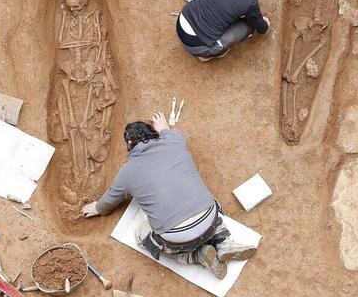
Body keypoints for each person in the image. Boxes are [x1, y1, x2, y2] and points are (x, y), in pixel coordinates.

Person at [80, 114, 255, 278]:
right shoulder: (174, 141)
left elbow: (109, 200)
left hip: (177, 238)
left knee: (141, 235)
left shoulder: (127, 173)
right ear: (154, 133)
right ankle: (222, 240)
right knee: (205, 201)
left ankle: (196, 256)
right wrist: (164, 128)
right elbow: (172, 133)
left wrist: (97, 207)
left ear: (128, 145)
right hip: (209, 218)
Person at [176, 0, 274, 60]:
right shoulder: (250, 3)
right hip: (197, 46)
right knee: (250, 25)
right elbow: (262, 29)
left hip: (182, 20)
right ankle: (207, 54)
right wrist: (264, 24)